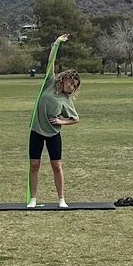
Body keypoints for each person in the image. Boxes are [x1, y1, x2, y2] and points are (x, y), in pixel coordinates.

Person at [28, 39, 80, 208]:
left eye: (75, 87)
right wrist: (56, 43)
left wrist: (60, 121)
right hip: (36, 130)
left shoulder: (66, 100)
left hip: (53, 134)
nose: (72, 88)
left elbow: (75, 119)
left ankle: (61, 199)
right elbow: (51, 61)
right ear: (64, 79)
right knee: (34, 165)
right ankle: (33, 199)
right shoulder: (49, 83)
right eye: (71, 84)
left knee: (56, 166)